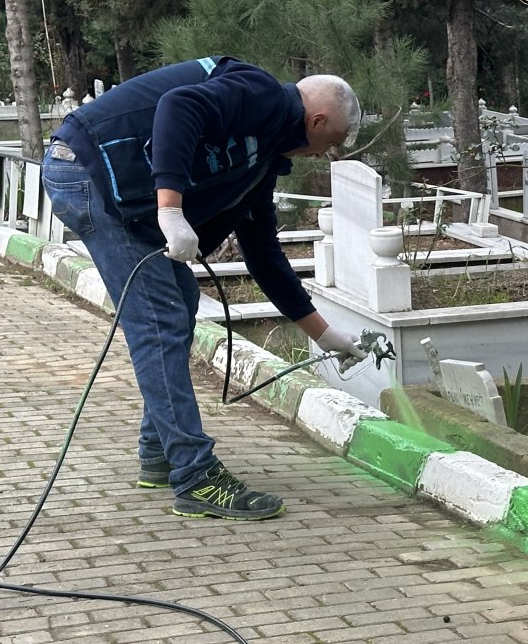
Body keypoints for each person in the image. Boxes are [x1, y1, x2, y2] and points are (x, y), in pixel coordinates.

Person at [40, 56, 366, 521]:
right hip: (87, 170)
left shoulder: (264, 156)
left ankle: (159, 453)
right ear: (316, 121)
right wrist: (171, 210)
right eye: (329, 143)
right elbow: (179, 106)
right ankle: (195, 476)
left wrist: (324, 334)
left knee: (181, 302)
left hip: (111, 183)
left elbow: (263, 256)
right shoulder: (265, 95)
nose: (321, 155)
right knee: (159, 322)